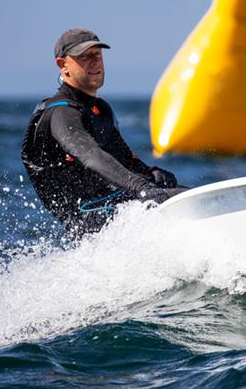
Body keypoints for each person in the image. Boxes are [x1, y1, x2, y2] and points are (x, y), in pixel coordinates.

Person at [21, 28, 186, 236]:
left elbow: (125, 159)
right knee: (174, 199)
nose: (95, 62)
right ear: (63, 66)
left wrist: (149, 172)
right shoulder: (61, 112)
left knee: (183, 194)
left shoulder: (101, 109)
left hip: (116, 202)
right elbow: (90, 155)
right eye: (84, 57)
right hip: (89, 218)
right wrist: (140, 186)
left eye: (97, 55)